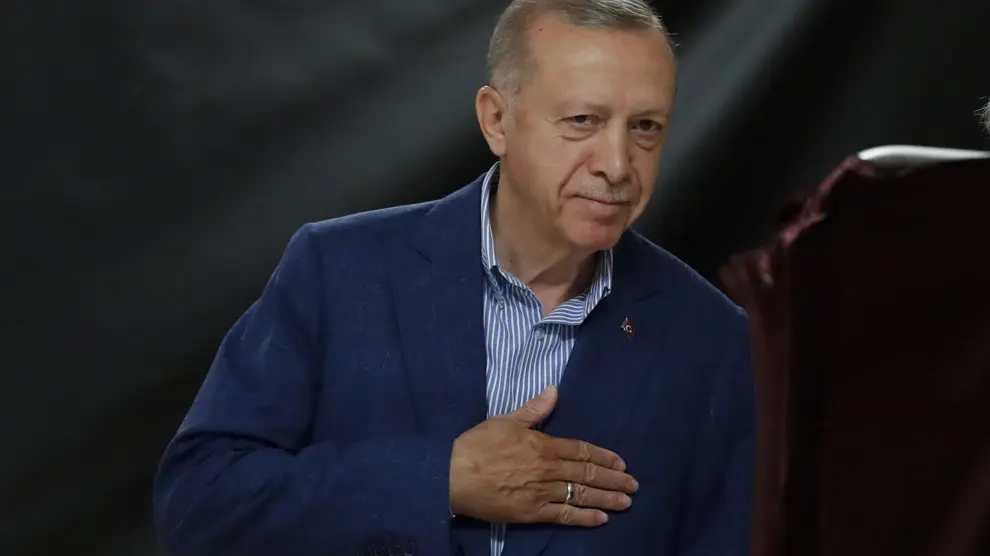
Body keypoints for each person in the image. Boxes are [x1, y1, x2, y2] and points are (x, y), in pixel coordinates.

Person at [152, 1, 755, 555]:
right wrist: (438, 480)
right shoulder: (336, 271)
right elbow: (199, 500)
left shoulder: (715, 340)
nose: (618, 164)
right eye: (582, 120)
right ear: (497, 121)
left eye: (645, 126)